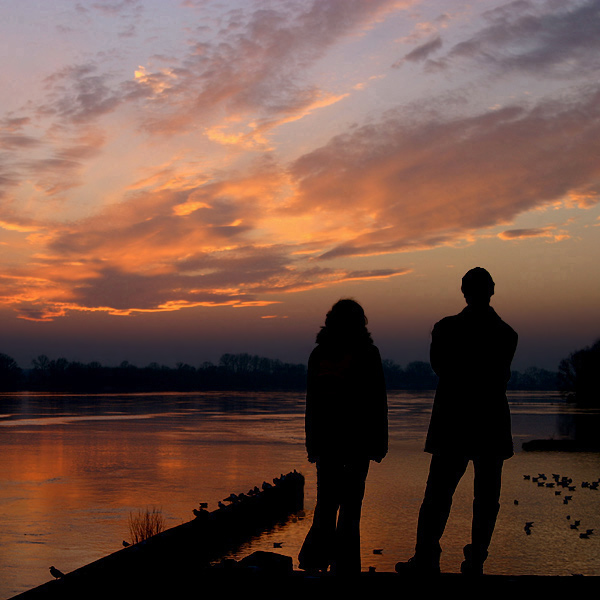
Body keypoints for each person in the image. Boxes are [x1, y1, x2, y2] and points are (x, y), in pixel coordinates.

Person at [396, 267, 518, 576]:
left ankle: (427, 559)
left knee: (439, 496)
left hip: (454, 424)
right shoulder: (505, 334)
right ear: (491, 291)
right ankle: (474, 560)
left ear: (464, 292)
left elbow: (443, 369)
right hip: (489, 424)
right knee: (484, 499)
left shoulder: (446, 329)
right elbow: (496, 377)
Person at [298, 298, 388, 575]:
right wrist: (379, 443)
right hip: (352, 442)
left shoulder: (322, 354)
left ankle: (317, 563)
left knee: (329, 505)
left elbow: (312, 404)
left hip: (333, 442)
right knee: (348, 508)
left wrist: (312, 442)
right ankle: (343, 568)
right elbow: (377, 402)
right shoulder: (366, 353)